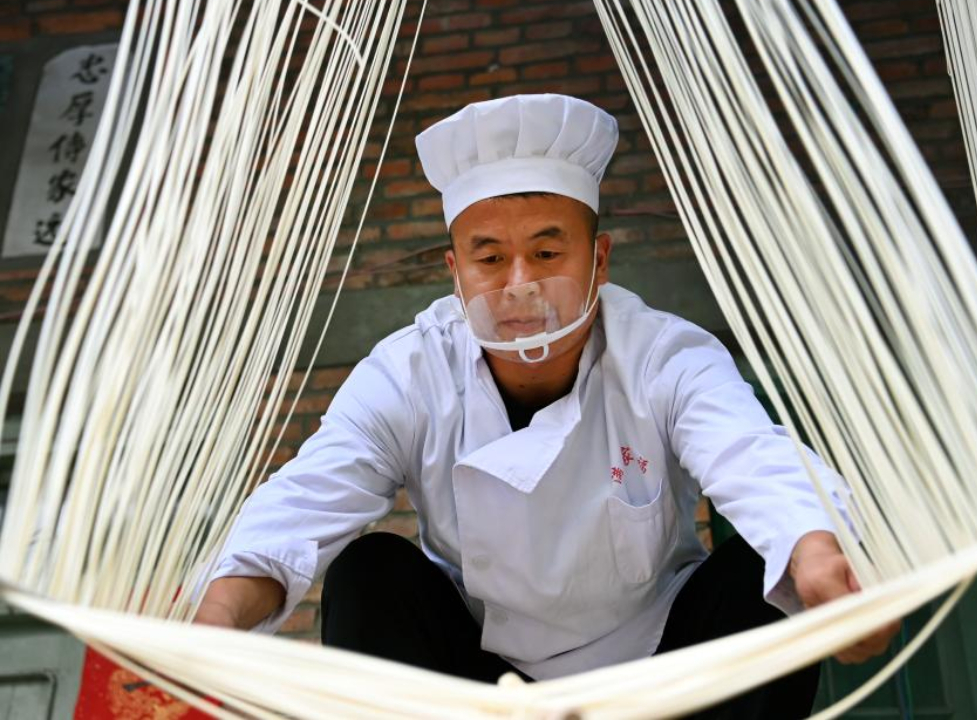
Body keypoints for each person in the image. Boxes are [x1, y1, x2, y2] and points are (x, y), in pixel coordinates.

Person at [195, 94, 899, 717]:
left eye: (547, 253)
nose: (520, 285)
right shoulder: (409, 372)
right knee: (369, 573)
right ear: (454, 271)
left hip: (665, 672)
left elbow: (750, 453)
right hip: (483, 687)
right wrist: (216, 621)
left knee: (760, 573)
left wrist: (815, 551)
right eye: (489, 259)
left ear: (600, 259)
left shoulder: (663, 354)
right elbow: (308, 497)